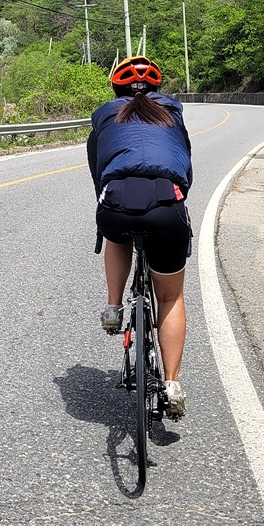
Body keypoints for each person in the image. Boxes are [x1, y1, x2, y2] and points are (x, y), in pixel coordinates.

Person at [87, 55, 193, 418]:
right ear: (157, 88)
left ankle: (113, 307)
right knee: (170, 296)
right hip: (166, 205)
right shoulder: (172, 114)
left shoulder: (105, 116)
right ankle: (172, 384)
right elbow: (185, 166)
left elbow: (98, 172)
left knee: (116, 234)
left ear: (115, 89)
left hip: (116, 204)